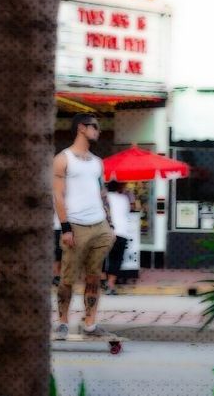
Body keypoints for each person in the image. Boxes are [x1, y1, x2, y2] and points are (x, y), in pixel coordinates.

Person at [53, 113, 115, 339]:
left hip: (99, 226)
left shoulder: (98, 162)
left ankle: (90, 323)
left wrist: (110, 226)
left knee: (94, 277)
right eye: (95, 127)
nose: (98, 131)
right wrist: (66, 227)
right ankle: (62, 322)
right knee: (68, 279)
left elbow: (102, 193)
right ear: (81, 128)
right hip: (75, 226)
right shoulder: (63, 158)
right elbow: (58, 196)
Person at [103, 180, 130, 295]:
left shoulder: (104, 198)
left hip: (106, 232)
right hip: (122, 232)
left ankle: (103, 280)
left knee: (104, 258)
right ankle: (110, 284)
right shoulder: (124, 199)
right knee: (116, 259)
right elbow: (127, 212)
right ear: (119, 186)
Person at [52, 210, 62, 286]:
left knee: (60, 253)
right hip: (55, 226)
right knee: (57, 253)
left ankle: (57, 276)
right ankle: (56, 276)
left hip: (68, 226)